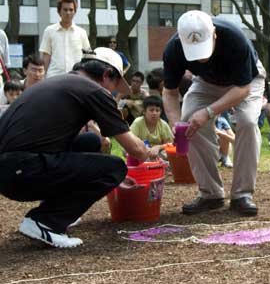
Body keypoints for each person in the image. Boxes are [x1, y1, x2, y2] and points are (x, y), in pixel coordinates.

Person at [0, 47, 159, 248]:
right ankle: (45, 221)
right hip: (22, 171)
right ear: (106, 75)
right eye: (115, 85)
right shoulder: (94, 90)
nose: (114, 91)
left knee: (90, 142)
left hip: (12, 169)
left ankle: (55, 210)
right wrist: (150, 155)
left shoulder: (61, 82)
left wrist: (95, 170)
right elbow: (137, 151)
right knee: (115, 167)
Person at [163, 10, 265, 216]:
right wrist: (176, 125)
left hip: (246, 81)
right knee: (189, 120)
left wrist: (209, 112)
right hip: (207, 82)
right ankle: (210, 193)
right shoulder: (173, 49)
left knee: (247, 122)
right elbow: (170, 92)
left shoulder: (235, 39)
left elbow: (242, 89)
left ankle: (242, 194)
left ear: (214, 34)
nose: (200, 58)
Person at [39, 0, 91, 78]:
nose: (68, 12)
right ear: (59, 12)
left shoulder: (81, 33)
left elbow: (87, 57)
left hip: (76, 78)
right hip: (54, 77)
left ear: (75, 12)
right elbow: (46, 56)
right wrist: (42, 77)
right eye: (65, 9)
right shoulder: (49, 31)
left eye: (71, 10)